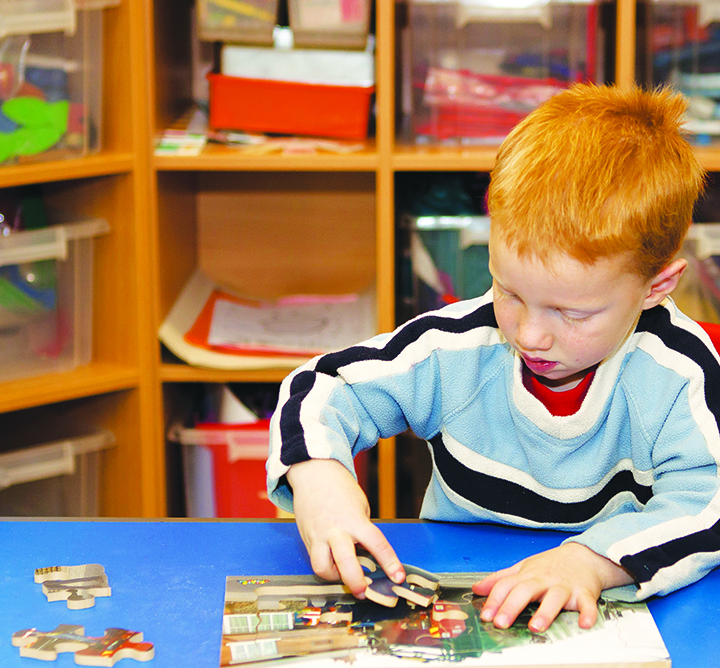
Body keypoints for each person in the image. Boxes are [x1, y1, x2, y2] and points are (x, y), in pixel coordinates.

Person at [266, 83, 718, 633]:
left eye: (572, 314)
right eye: (508, 290)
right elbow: (322, 384)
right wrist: (320, 479)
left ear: (656, 286)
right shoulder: (461, 347)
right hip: (455, 601)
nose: (528, 334)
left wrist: (590, 563)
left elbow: (707, 504)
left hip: (610, 610)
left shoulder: (677, 374)